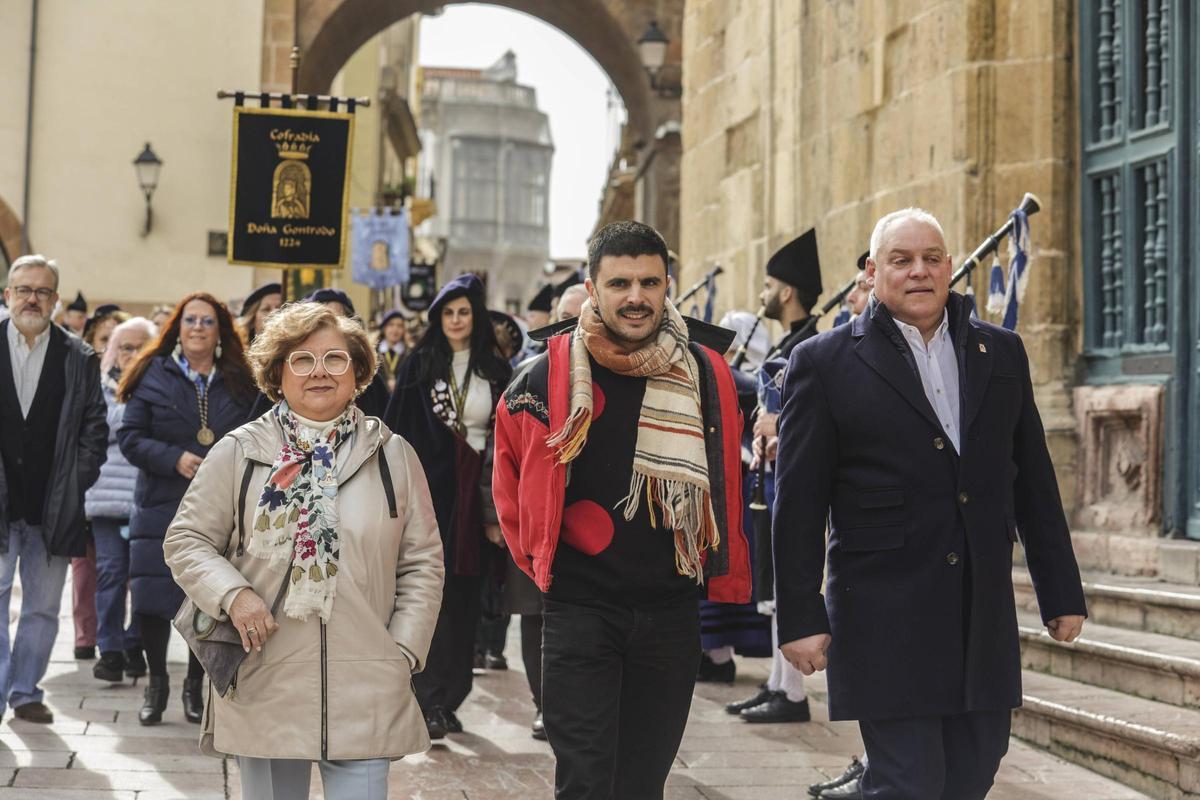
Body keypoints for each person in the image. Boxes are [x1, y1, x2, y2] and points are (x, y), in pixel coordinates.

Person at [773, 208, 1087, 800]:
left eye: (931, 258)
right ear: (873, 272)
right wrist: (800, 615)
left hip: (980, 617)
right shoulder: (822, 362)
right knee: (909, 782)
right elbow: (799, 503)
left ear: (949, 267)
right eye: (902, 260)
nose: (919, 271)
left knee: (974, 771)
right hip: (883, 617)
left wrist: (1061, 592)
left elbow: (1034, 482)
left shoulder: (1002, 353)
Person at [492, 221, 751, 799]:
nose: (636, 297)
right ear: (593, 288)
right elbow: (509, 485)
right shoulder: (544, 376)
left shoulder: (706, 373)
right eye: (620, 283)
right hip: (580, 610)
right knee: (585, 781)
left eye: (649, 282)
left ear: (667, 286)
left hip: (671, 611)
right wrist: (543, 566)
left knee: (642, 784)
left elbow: (726, 478)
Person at [163, 302, 443, 800]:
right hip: (265, 676)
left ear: (357, 372)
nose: (319, 372)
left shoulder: (393, 455)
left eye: (335, 358)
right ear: (277, 373)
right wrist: (233, 595)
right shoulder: (239, 451)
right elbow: (187, 540)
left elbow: (422, 562)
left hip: (367, 681)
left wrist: (402, 651)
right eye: (302, 360)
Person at [384, 273, 512, 740]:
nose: (456, 320)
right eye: (448, 313)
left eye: (464, 312)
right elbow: (396, 430)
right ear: (438, 318)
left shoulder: (496, 371)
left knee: (465, 597)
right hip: (430, 492)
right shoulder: (420, 366)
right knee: (427, 592)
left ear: (476, 317)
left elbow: (508, 436)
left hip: (477, 497)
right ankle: (428, 695)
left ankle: (452, 695)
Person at [117, 293, 256, 725]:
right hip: (160, 501)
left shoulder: (240, 378)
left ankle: (194, 687)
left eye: (207, 321)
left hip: (218, 506)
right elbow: (130, 437)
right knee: (152, 597)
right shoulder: (153, 372)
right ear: (177, 328)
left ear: (220, 331)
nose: (198, 327)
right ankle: (157, 685)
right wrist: (173, 457)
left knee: (206, 597)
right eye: (190, 320)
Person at [0, 255, 108, 723]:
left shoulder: (78, 357)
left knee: (43, 608)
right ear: (7, 294)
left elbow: (95, 427)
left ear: (55, 300)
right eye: (24, 290)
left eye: (42, 291)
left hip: (55, 505)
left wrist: (77, 479)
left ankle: (25, 692)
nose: (32, 299)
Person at [728, 229, 824, 724]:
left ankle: (792, 694)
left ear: (786, 291)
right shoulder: (791, 341)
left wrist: (779, 423)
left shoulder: (813, 343)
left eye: (768, 286)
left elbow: (821, 413)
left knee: (788, 580)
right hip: (772, 475)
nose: (763, 294)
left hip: (798, 478)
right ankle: (777, 684)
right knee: (773, 583)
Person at [695, 310, 773, 685]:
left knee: (725, 567)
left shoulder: (743, 381)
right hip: (729, 485)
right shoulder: (738, 378)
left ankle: (718, 655)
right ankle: (713, 653)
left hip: (738, 486)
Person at [86, 316, 156, 683]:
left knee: (146, 578)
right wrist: (140, 417)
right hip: (108, 499)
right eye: (126, 347)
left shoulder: (162, 383)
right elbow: (102, 426)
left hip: (149, 497)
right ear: (114, 350)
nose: (132, 354)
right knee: (111, 573)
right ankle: (110, 650)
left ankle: (135, 643)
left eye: (141, 347)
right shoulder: (99, 383)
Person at [72, 305, 132, 661]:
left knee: (135, 573)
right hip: (102, 491)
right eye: (106, 340)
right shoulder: (92, 380)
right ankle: (95, 639)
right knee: (97, 569)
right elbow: (92, 427)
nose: (112, 347)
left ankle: (131, 640)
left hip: (138, 493)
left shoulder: (151, 381)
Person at [236, 282, 283, 346]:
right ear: (252, 321)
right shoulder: (237, 351)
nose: (274, 313)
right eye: (266, 309)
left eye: (280, 308)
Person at [377, 309, 408, 392]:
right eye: (391, 325)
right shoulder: (374, 352)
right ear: (384, 328)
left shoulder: (409, 354)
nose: (395, 329)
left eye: (400, 326)